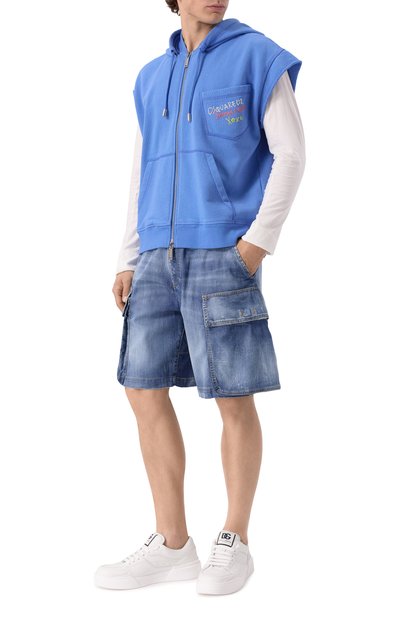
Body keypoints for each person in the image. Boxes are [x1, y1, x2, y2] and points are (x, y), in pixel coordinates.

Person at [95, 0, 306, 596]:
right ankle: (172, 544)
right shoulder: (150, 77)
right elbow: (142, 172)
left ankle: (235, 539)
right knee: (141, 387)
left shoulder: (258, 57)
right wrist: (129, 256)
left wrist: (255, 245)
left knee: (233, 395)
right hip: (155, 254)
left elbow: (291, 154)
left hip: (223, 251)